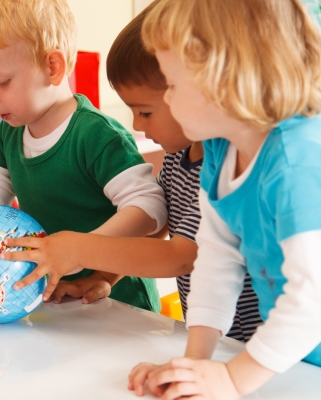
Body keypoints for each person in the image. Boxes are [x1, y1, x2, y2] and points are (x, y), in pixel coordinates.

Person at [9, 0, 263, 343]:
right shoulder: (179, 156)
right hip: (216, 342)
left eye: (145, 111)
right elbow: (157, 231)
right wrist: (104, 276)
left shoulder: (231, 165)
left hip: (261, 348)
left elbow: (182, 257)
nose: (135, 124)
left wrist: (78, 248)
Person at [128, 0, 321, 398]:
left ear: (224, 80)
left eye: (173, 85)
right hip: (293, 359)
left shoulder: (295, 164)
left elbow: (311, 300)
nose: (166, 100)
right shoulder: (219, 150)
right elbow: (216, 258)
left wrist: (232, 380)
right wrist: (195, 365)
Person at [0, 0, 168, 312]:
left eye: (0, 82)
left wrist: (83, 252)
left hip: (118, 298)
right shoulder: (12, 132)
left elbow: (149, 209)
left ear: (52, 67)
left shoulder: (96, 135)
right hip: (55, 297)